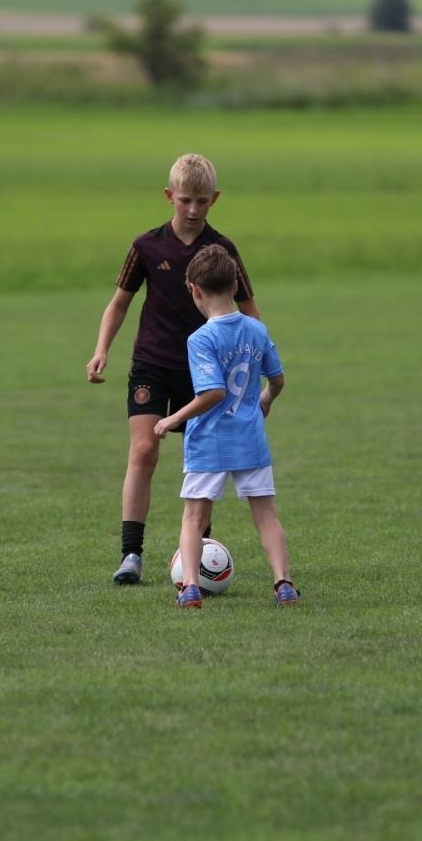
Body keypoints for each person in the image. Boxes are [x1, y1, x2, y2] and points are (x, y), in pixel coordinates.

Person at [86, 153, 259, 584]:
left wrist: (256, 356)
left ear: (215, 198)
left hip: (207, 370)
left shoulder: (223, 251)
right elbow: (120, 302)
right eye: (185, 200)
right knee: (144, 450)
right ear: (169, 197)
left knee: (202, 461)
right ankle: (131, 555)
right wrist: (101, 349)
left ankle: (197, 552)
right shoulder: (147, 246)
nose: (194, 209)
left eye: (202, 201)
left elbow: (248, 308)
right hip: (152, 362)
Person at [153, 245, 298, 608]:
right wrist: (265, 399)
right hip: (250, 438)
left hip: (209, 442)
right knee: (266, 515)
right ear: (235, 287)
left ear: (195, 291)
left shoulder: (201, 338)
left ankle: (189, 587)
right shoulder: (256, 330)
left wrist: (174, 417)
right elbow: (278, 380)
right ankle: (284, 583)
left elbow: (213, 392)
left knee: (194, 517)